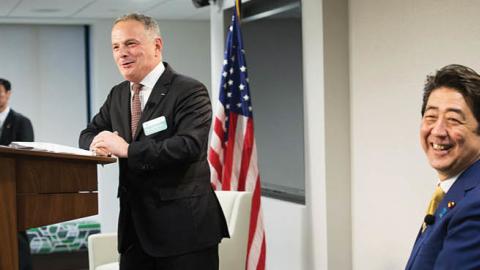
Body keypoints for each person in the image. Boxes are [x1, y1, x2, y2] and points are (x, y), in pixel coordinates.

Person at [79, 13, 229, 270]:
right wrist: (98, 143)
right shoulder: (118, 94)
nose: (121, 53)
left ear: (157, 46)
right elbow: (89, 133)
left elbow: (188, 146)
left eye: (130, 44)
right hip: (134, 232)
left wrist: (127, 149)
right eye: (116, 47)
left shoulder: (189, 91)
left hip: (183, 233)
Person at [405, 64, 480, 269]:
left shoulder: (475, 205)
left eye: (453, 120)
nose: (438, 131)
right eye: (431, 117)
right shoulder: (455, 190)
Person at [0, 78, 34, 270]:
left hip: (14, 191)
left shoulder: (21, 122)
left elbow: (27, 159)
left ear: (8, 94)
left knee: (17, 238)